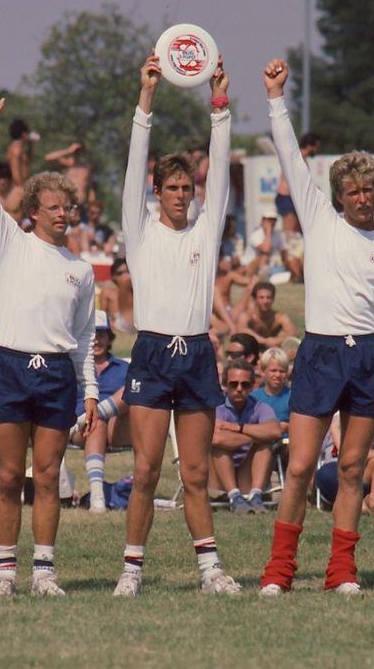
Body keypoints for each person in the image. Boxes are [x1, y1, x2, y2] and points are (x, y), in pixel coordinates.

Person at [259, 59, 374, 597]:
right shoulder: (319, 219)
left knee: (350, 468)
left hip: (367, 358)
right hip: (320, 353)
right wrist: (276, 97)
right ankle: (279, 572)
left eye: (369, 190)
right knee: (299, 466)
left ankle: (341, 571)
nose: (363, 198)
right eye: (353, 192)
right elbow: (288, 156)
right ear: (340, 195)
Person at [113, 52, 241, 597]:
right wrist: (147, 98)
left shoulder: (205, 232)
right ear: (157, 193)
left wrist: (219, 105)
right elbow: (135, 159)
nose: (183, 196)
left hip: (195, 354)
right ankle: (131, 570)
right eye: (172, 188)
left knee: (194, 472)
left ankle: (211, 570)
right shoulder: (140, 231)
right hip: (150, 353)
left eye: (188, 189)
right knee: (145, 470)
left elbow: (222, 167)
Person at [0, 82, 98, 598]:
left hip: (57, 373)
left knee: (48, 475)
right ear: (33, 211)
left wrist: (88, 389)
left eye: (69, 205)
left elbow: (85, 337)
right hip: (11, 367)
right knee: (7, 476)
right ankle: (5, 573)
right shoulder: (10, 244)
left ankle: (44, 572)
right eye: (54, 206)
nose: (64, 213)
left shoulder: (82, 270)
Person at [71, 310, 130, 513]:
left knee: (135, 386)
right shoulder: (72, 368)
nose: (96, 340)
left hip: (118, 428)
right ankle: (98, 494)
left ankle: (98, 497)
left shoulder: (124, 367)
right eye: (91, 335)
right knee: (97, 422)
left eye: (101, 334)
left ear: (109, 338)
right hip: (80, 430)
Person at [210, 361, 281, 514]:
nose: (239, 389)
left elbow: (275, 431)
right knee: (219, 448)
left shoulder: (260, 407)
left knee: (265, 445)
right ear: (225, 385)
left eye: (245, 385)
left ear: (253, 386)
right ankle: (234, 496)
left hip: (246, 473)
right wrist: (255, 435)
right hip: (216, 474)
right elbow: (216, 438)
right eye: (233, 384)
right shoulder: (216, 407)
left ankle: (256, 495)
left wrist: (238, 428)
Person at [275, 131, 321, 232]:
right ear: (309, 146)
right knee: (289, 232)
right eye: (316, 147)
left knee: (297, 232)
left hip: (292, 198)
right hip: (286, 197)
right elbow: (294, 179)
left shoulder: (302, 159)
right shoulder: (297, 158)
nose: (317, 150)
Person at [236, 281, 297, 348]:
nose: (265, 301)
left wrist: (277, 340)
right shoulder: (247, 316)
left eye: (268, 297)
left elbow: (293, 333)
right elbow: (241, 331)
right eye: (261, 298)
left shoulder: (280, 317)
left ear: (273, 299)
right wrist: (264, 341)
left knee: (283, 335)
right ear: (255, 299)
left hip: (274, 348)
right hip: (253, 349)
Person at [251, 348, 291, 435]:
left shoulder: (292, 397)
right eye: (273, 371)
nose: (277, 375)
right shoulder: (253, 398)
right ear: (263, 371)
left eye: (282, 371)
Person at [99, 258, 135, 334]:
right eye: (120, 273)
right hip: (116, 329)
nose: (125, 276)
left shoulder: (136, 293)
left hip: (134, 329)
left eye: (128, 272)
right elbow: (102, 316)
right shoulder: (107, 292)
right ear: (113, 276)